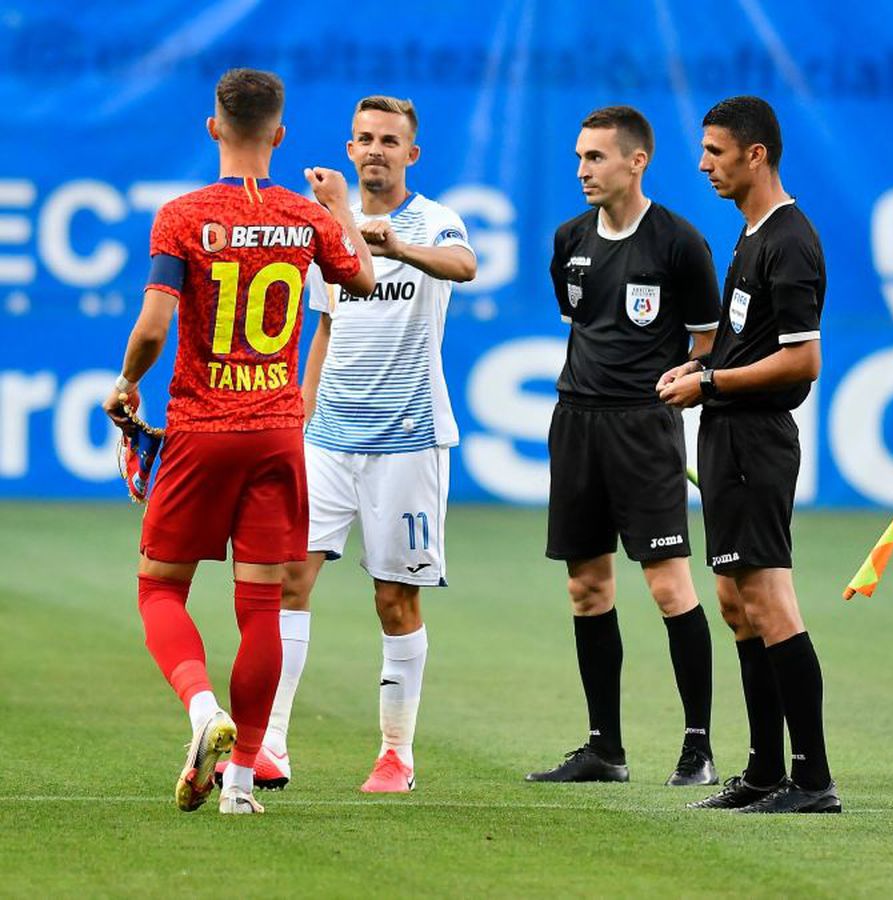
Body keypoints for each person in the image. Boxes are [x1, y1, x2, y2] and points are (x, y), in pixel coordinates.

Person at [101, 68, 374, 815]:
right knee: (261, 609)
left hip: (201, 430)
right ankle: (242, 784)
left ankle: (201, 711)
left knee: (160, 586)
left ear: (213, 127)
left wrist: (127, 384)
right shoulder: (304, 218)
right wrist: (340, 208)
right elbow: (364, 278)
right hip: (278, 434)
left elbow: (155, 328)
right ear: (279, 135)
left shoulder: (182, 216)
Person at [217, 95, 477, 794]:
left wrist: (395, 244)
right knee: (289, 581)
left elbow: (464, 265)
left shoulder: (432, 220)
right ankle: (270, 745)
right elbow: (324, 331)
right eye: (364, 138)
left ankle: (397, 753)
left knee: (394, 599)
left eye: (389, 140)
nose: (374, 150)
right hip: (327, 437)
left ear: (410, 154)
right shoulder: (325, 231)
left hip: (408, 439)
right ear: (350, 144)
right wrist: (295, 423)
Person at [526, 106, 723, 786]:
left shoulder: (679, 244)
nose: (583, 170)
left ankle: (698, 747)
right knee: (587, 588)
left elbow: (705, 346)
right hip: (576, 424)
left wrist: (683, 384)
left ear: (637, 161)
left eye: (597, 158)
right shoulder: (569, 239)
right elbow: (580, 324)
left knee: (669, 587)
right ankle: (604, 748)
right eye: (579, 157)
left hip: (644, 429)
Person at [659, 95, 840, 814]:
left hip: (757, 441)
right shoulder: (751, 233)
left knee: (770, 600)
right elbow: (747, 343)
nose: (703, 164)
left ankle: (814, 777)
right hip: (729, 436)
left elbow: (803, 362)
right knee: (737, 604)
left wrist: (710, 381)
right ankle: (765, 771)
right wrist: (696, 371)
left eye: (715, 151)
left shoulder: (790, 239)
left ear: (755, 153)